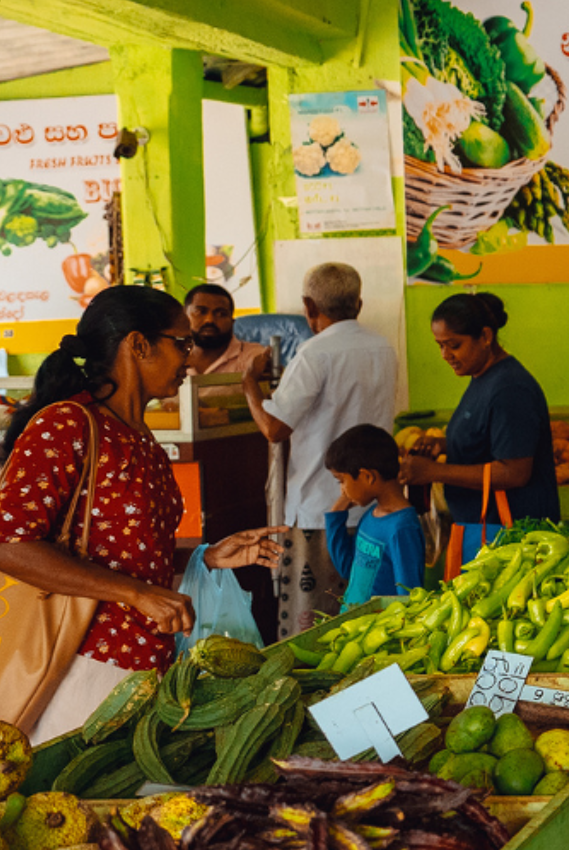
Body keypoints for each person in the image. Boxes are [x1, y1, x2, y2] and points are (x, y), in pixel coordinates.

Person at [0, 286, 286, 741]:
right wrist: (138, 595)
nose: (189, 358)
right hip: (78, 666)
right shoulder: (67, 424)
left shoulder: (140, 437)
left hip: (142, 668)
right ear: (138, 345)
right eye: (181, 343)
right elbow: (7, 546)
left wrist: (204, 557)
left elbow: (130, 554)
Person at [241, 262, 399, 639]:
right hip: (373, 506)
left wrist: (249, 383)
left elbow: (274, 429)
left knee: (312, 628)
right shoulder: (383, 348)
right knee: (364, 621)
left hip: (320, 511)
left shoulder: (314, 353)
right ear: (358, 304)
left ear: (309, 307)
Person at [402, 293, 557, 562]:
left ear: (485, 336)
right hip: (484, 531)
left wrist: (435, 471)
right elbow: (489, 438)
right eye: (440, 346)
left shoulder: (510, 389)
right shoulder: (483, 377)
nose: (445, 355)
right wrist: (444, 445)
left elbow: (514, 472)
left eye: (454, 345)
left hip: (511, 539)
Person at [323, 424, 425, 607]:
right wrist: (336, 515)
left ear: (367, 476)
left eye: (342, 481)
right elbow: (347, 569)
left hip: (379, 624)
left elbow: (410, 598)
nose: (342, 491)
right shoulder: (371, 516)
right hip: (355, 620)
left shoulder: (402, 528)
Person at [181, 283, 268, 377]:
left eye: (221, 314)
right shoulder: (174, 358)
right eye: (200, 312)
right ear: (184, 317)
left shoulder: (254, 357)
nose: (209, 320)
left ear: (232, 321)